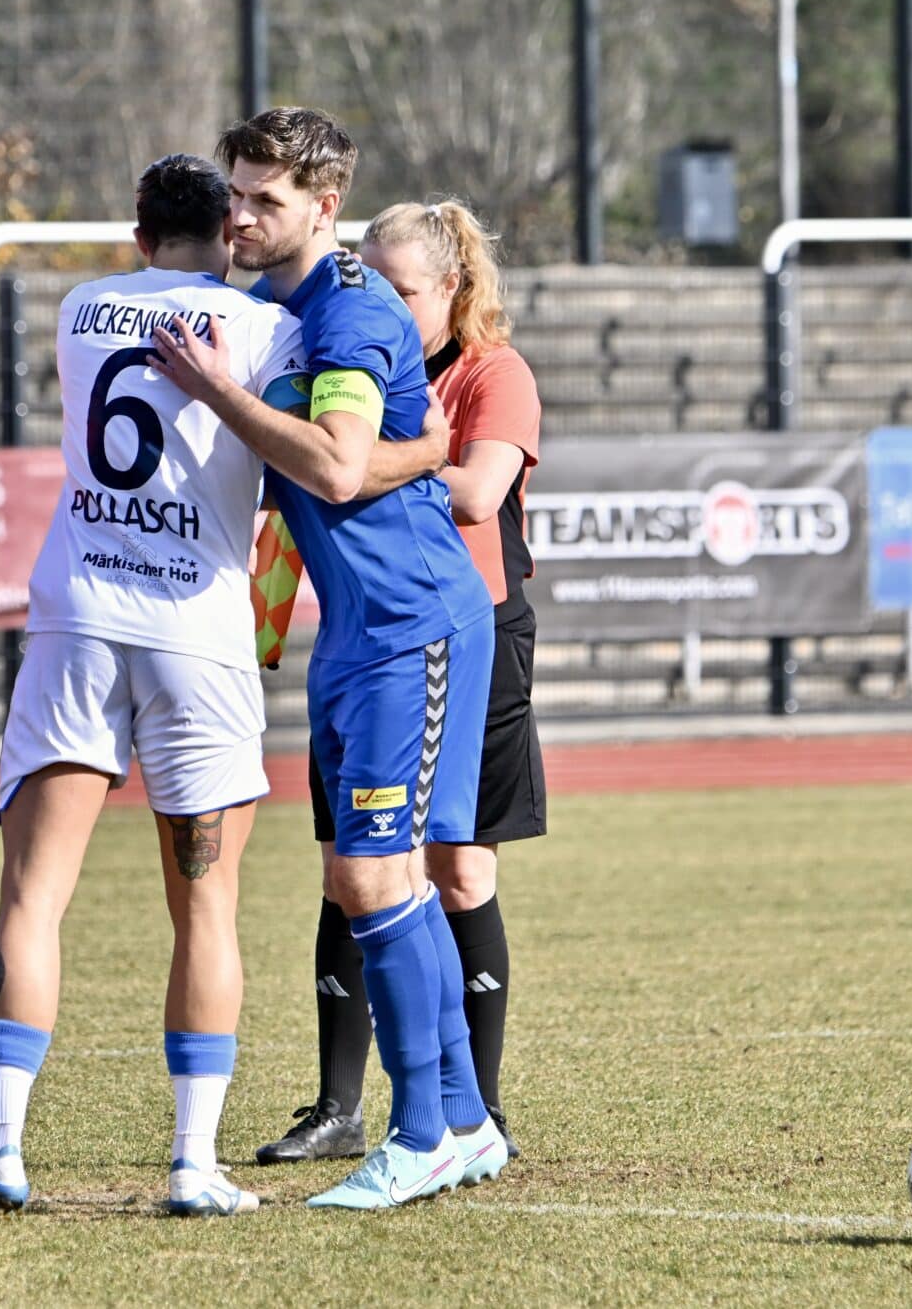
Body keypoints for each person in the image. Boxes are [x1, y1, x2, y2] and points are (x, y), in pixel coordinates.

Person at [0, 154, 445, 1224]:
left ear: (134, 228)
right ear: (229, 225)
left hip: (78, 618)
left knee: (31, 897)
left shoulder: (80, 308)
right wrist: (427, 442)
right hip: (196, 633)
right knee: (203, 907)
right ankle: (192, 1164)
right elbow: (327, 459)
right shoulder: (269, 330)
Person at [149, 106, 508, 1210]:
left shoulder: (347, 316)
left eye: (264, 199)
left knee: (367, 877)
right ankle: (460, 1121)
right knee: (388, 878)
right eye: (234, 193)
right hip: (355, 633)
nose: (239, 215)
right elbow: (347, 464)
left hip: (410, 623)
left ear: (324, 205)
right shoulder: (268, 307)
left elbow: (339, 467)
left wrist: (218, 393)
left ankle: (417, 1134)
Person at [258, 199, 546, 1167]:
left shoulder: (489, 373)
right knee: (355, 870)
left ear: (451, 290)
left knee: (455, 870)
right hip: (365, 636)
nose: (378, 298)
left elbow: (471, 491)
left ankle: (476, 1110)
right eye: (367, 278)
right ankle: (339, 1103)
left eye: (401, 286)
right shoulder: (341, 352)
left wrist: (362, 457)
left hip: (468, 633)